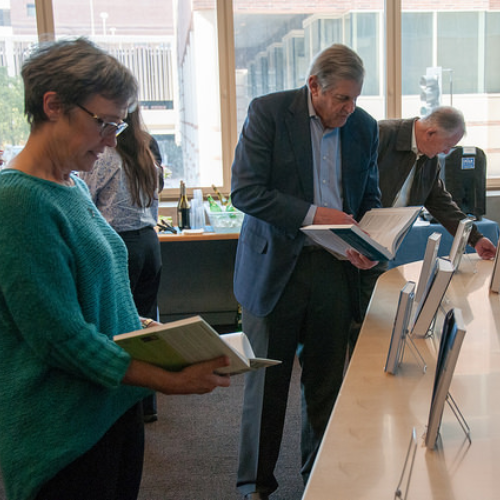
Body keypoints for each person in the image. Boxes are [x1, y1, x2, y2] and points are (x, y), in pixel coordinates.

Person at [0, 37, 230, 500]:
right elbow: (62, 340)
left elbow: (100, 296)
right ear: (53, 106)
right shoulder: (18, 200)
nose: (111, 141)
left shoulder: (72, 187)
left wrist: (151, 330)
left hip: (110, 408)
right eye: (104, 123)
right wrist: (169, 381)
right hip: (62, 433)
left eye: (118, 125)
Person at [231, 43, 380, 499]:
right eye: (342, 99)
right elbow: (246, 192)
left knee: (325, 384)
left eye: (355, 99)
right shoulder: (270, 113)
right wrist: (316, 214)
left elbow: (368, 196)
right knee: (267, 384)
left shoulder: (364, 128)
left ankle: (321, 477)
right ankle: (254, 486)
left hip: (334, 270)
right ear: (314, 86)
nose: (349, 109)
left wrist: (367, 241)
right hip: (277, 267)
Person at [355, 106, 497, 331]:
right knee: (346, 320)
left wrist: (476, 239)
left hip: (381, 244)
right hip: (355, 238)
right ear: (430, 133)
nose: (447, 153)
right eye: (447, 145)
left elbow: (440, 201)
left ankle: (365, 359)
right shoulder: (382, 134)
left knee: (373, 317)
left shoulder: (428, 157)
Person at [81, 106, 163, 423]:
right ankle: (146, 405)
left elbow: (83, 198)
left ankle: (120, 405)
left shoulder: (104, 158)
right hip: (149, 244)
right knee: (143, 326)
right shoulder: (147, 156)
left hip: (118, 245)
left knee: (117, 326)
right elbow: (156, 196)